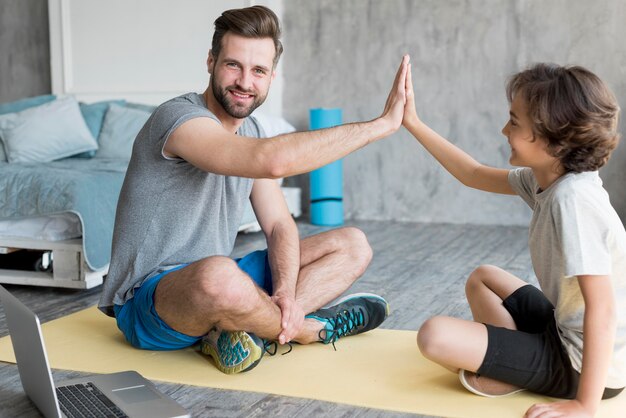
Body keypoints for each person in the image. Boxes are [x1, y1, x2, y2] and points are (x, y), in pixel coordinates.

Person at [98, 5, 410, 375]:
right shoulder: (178, 119)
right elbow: (270, 160)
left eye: (258, 70)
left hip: (222, 280)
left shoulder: (253, 129)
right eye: (233, 65)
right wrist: (380, 126)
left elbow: (279, 224)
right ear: (211, 62)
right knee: (218, 276)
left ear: (271, 77)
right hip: (149, 301)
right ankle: (309, 329)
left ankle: (249, 327)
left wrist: (287, 294)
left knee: (353, 243)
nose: (245, 82)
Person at [403, 62, 626, 416]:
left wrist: (584, 405)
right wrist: (412, 122)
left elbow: (603, 307)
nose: (504, 129)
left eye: (515, 122)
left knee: (434, 336)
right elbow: (472, 173)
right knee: (484, 277)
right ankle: (509, 364)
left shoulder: (574, 202)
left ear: (554, 137)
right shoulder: (548, 179)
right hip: (562, 330)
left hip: (582, 367)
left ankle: (509, 370)